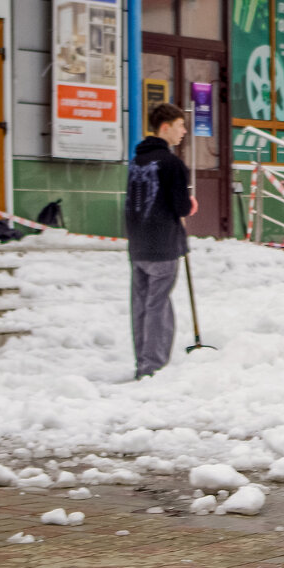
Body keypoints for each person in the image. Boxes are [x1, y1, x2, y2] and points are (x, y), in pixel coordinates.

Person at [124, 103, 198, 380]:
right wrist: (190, 204)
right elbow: (180, 207)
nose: (184, 131)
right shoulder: (172, 164)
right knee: (157, 305)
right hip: (163, 245)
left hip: (138, 245)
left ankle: (142, 361)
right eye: (180, 125)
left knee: (141, 305)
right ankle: (153, 366)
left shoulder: (136, 162)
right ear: (165, 127)